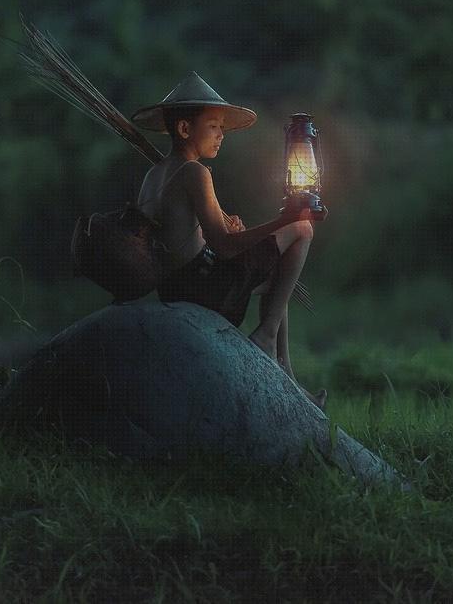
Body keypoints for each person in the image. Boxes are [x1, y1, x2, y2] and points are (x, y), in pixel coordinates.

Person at [132, 71, 326, 409]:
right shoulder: (195, 172)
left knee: (279, 278)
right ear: (184, 129)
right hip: (203, 289)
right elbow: (223, 246)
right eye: (214, 127)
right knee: (304, 229)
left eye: (222, 128)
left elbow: (187, 238)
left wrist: (239, 232)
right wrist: (284, 220)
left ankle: (288, 377)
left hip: (175, 286)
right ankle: (265, 338)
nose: (221, 135)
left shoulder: (154, 174)